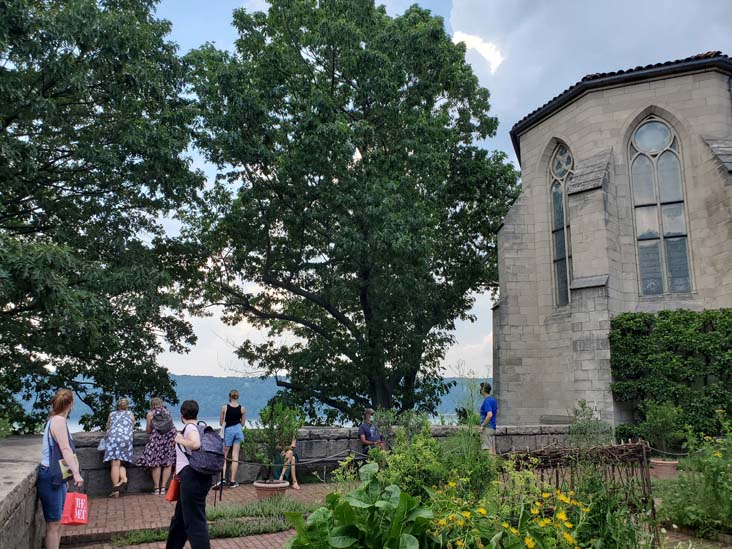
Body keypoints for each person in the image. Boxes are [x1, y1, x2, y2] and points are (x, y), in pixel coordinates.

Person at [37, 388, 84, 549]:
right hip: (50, 476)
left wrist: (66, 477)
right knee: (54, 523)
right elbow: (65, 449)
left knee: (59, 522)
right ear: (70, 404)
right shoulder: (58, 422)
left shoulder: (54, 420)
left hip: (56, 476)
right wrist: (76, 474)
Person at [167, 400, 212, 549]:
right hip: (196, 477)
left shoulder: (190, 428)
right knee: (180, 520)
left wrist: (180, 439)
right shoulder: (200, 427)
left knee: (195, 523)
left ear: (181, 415)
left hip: (192, 478)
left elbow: (195, 444)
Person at [138, 397, 176, 495]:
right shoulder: (168, 412)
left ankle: (156, 489)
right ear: (161, 404)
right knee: (168, 463)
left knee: (156, 464)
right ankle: (163, 488)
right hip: (168, 441)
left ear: (152, 405)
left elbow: (148, 430)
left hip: (156, 441)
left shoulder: (150, 414)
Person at [213, 389, 245, 490]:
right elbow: (243, 424)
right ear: (238, 397)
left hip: (228, 431)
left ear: (229, 397)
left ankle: (222, 479)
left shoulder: (224, 408)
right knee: (235, 456)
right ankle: (232, 481)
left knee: (224, 456)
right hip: (238, 431)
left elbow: (221, 423)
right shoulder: (242, 409)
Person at [104, 398, 135, 497]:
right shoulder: (130, 414)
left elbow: (108, 426)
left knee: (114, 464)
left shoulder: (112, 414)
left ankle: (115, 491)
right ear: (127, 406)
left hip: (113, 439)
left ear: (118, 406)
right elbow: (132, 425)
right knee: (121, 462)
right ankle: (123, 479)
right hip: (126, 439)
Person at [478, 382, 498, 454]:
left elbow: (489, 414)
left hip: (487, 428)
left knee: (487, 449)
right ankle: (494, 464)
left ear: (483, 390)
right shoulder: (493, 400)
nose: (479, 390)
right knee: (492, 449)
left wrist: (483, 425)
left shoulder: (487, 401)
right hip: (493, 427)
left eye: (480, 388)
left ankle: (490, 465)